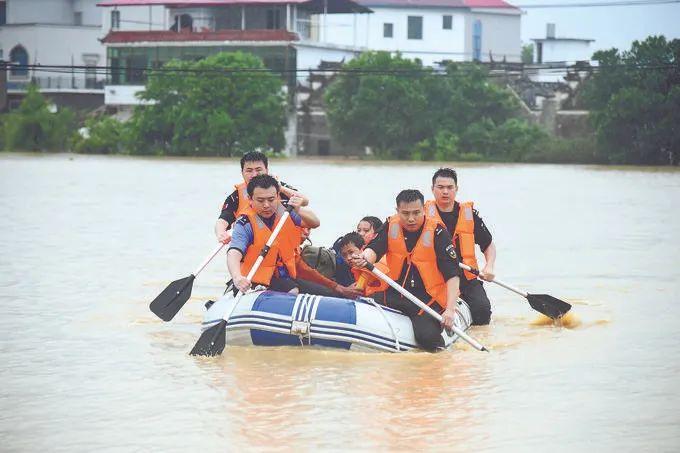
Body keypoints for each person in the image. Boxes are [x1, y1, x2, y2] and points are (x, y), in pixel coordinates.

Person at [348, 190, 461, 351]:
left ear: (424, 209)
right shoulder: (391, 225)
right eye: (405, 213)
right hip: (396, 292)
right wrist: (363, 258)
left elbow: (453, 274)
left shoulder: (438, 232)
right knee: (361, 305)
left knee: (426, 337)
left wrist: (450, 310)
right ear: (397, 211)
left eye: (416, 213)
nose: (411, 218)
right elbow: (374, 249)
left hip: (427, 299)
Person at [425, 168, 495, 325]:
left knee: (483, 311)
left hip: (466, 276)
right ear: (432, 189)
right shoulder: (421, 215)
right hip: (434, 276)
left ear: (456, 189)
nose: (445, 192)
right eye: (440, 187)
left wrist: (489, 267)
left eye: (449, 187)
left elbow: (488, 245)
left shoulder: (469, 215)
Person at [227, 175, 319, 294]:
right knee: (292, 289)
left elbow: (315, 222)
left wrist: (298, 210)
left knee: (329, 293)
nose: (266, 205)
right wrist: (237, 277)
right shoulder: (245, 223)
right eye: (260, 200)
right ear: (250, 199)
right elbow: (234, 252)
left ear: (277, 197)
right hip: (254, 279)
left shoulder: (286, 211)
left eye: (271, 200)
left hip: (283, 275)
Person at [215, 151, 309, 244]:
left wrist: (280, 189)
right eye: (249, 170)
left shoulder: (278, 187)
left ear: (267, 170)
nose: (254, 174)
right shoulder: (236, 197)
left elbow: (304, 201)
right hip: (256, 248)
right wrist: (221, 233)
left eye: (258, 170)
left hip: (286, 248)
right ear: (242, 172)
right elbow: (223, 219)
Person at [333, 216, 383, 286]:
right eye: (359, 230)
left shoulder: (384, 255)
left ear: (376, 235)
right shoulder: (342, 248)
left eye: (366, 230)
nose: (361, 233)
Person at [336, 232, 387, 297]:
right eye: (344, 255)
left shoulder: (379, 266)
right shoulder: (343, 272)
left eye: (351, 252)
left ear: (363, 248)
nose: (348, 258)